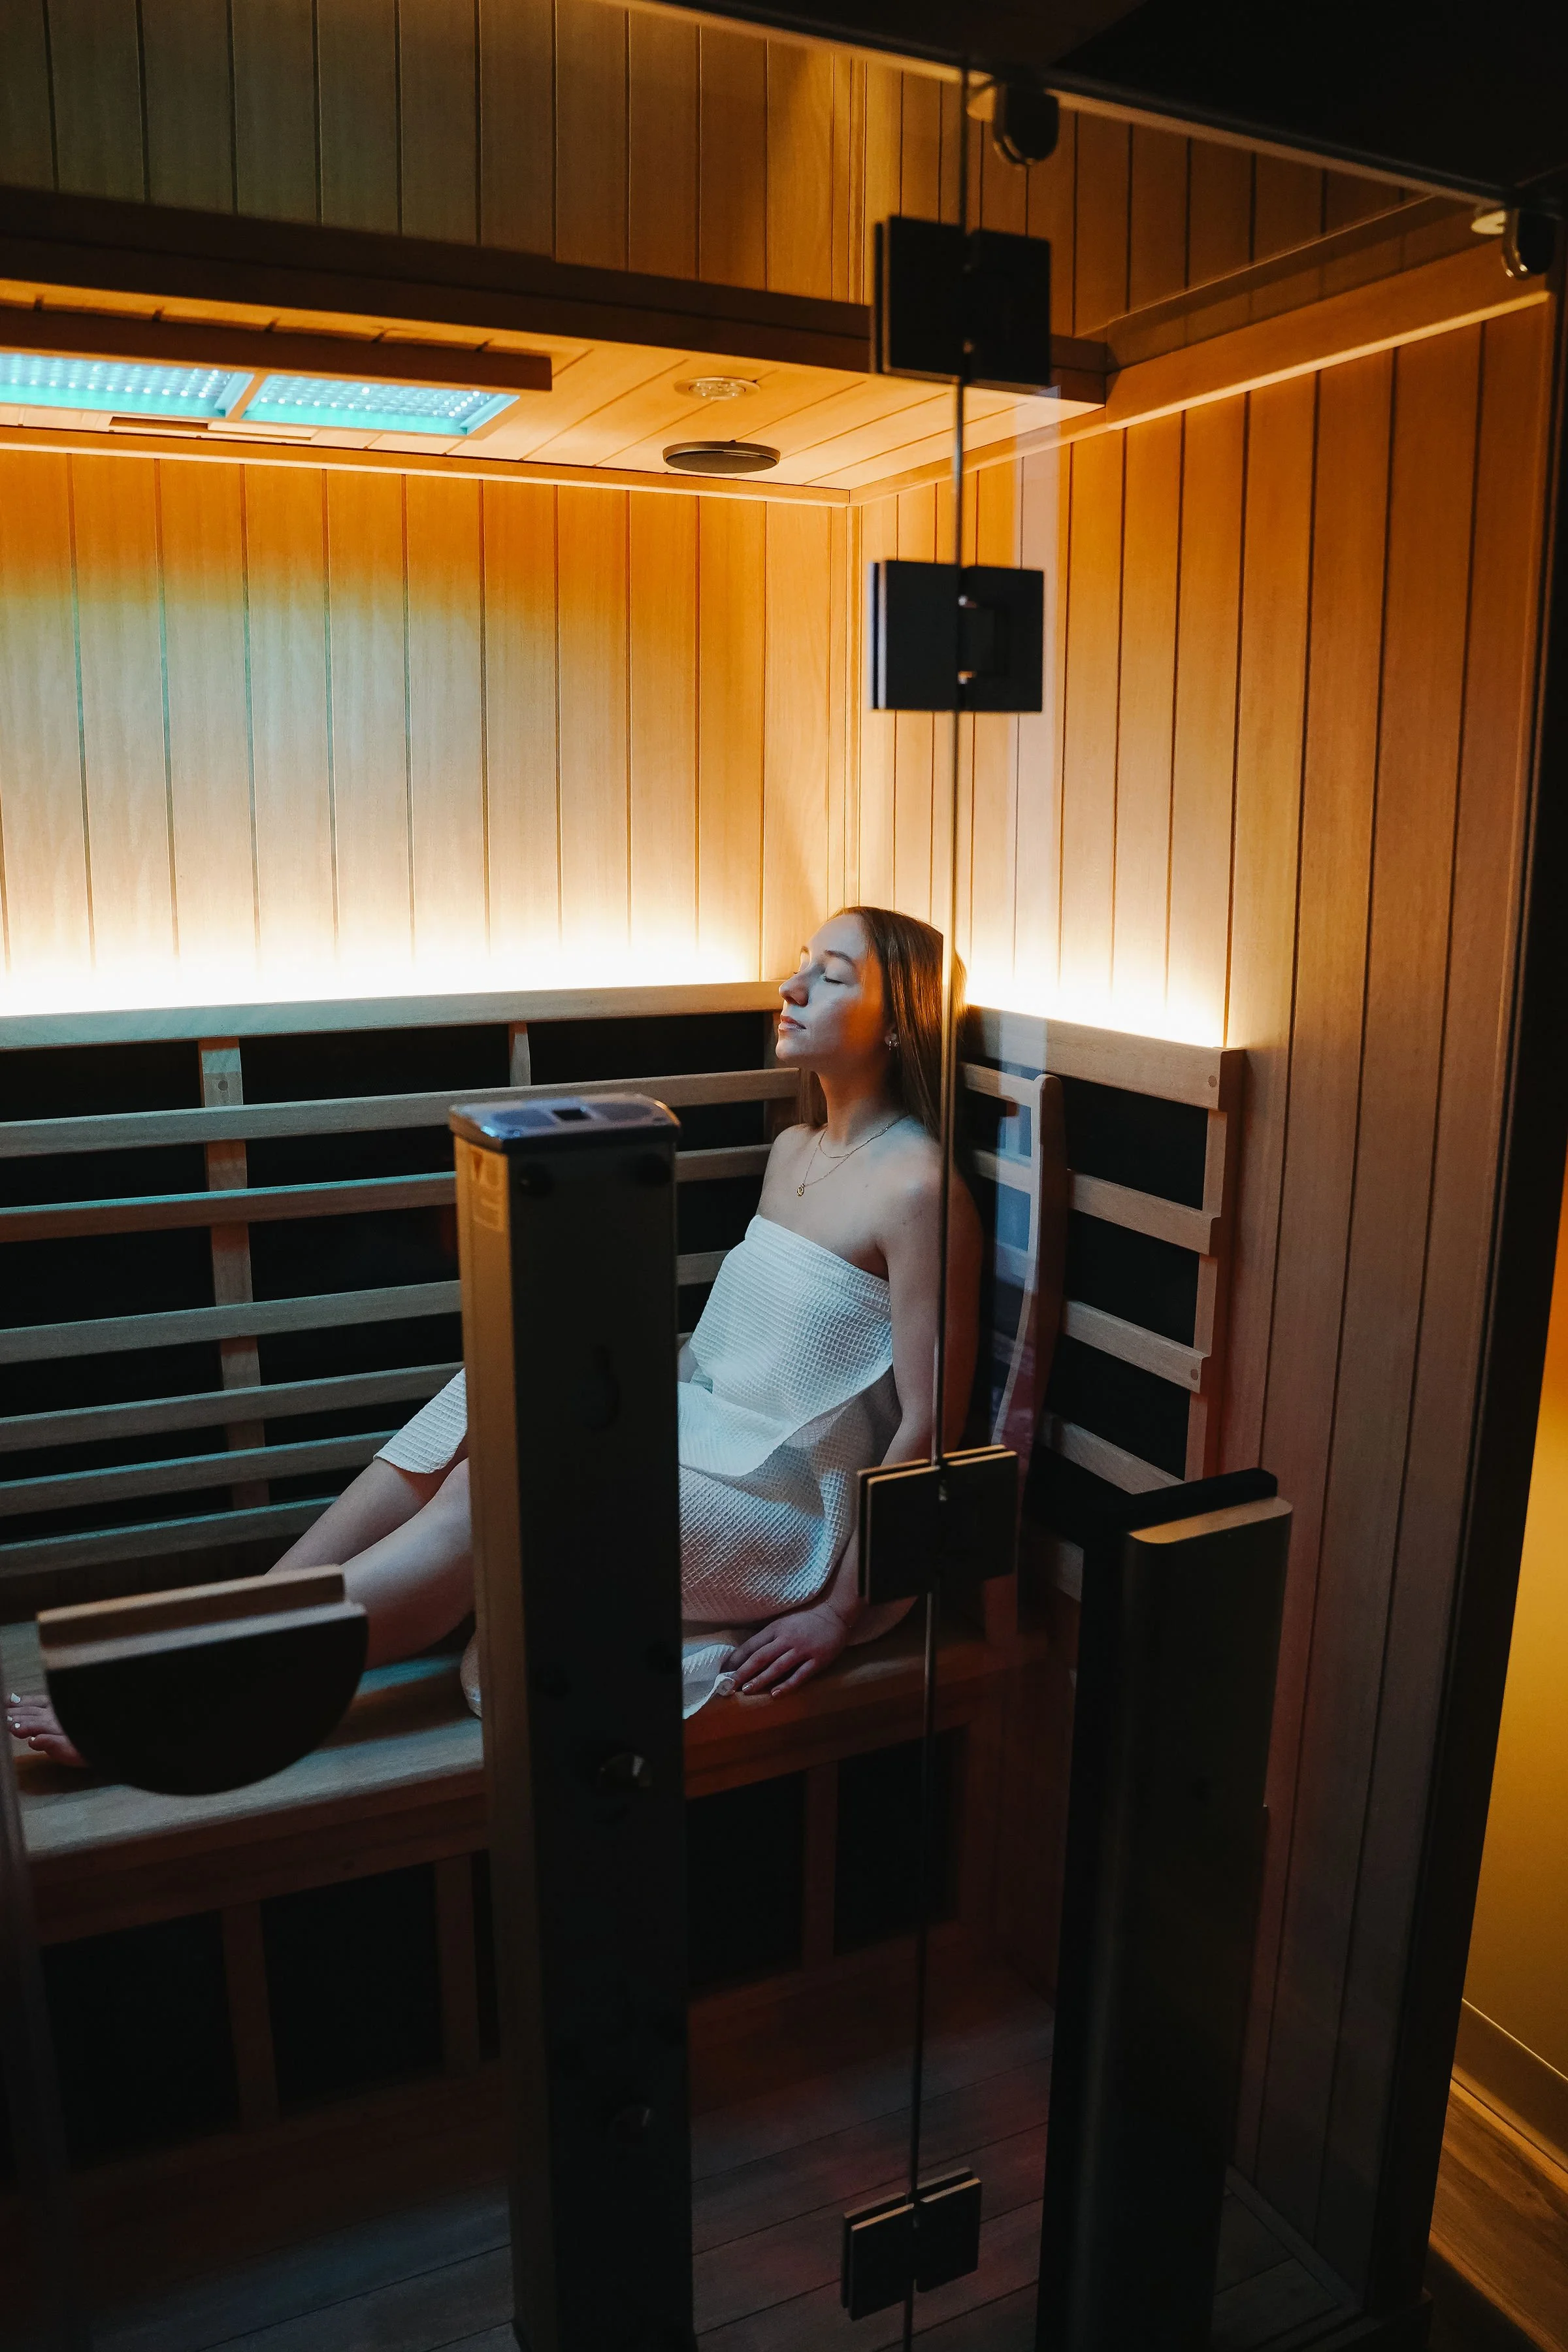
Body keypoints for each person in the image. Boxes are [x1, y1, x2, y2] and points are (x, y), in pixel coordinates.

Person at [8, 905, 980, 1761]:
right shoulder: (792, 1152)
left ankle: (228, 1684)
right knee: (496, 1390)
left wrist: (840, 1609)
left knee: (509, 1486)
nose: (792, 983)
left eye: (832, 974)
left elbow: (926, 1430)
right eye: (802, 961)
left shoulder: (919, 1187)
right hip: (707, 1442)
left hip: (790, 1517)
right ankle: (238, 1622)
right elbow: (731, 1351)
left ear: (900, 1024)